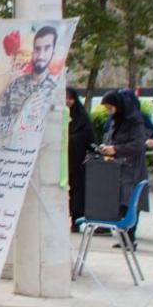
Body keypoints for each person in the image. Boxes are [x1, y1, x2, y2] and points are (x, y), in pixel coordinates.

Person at [0, 25, 62, 144]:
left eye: (47, 49)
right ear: (33, 52)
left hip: (41, 151)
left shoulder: (56, 90)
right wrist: (19, 120)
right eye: (37, 49)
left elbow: (57, 129)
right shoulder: (15, 85)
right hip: (9, 149)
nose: (41, 55)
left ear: (53, 52)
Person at [98, 89, 148, 240]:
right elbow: (112, 138)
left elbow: (138, 144)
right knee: (119, 202)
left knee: (129, 202)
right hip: (118, 167)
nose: (108, 111)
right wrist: (106, 147)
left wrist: (115, 149)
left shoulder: (134, 120)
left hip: (132, 168)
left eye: (110, 107)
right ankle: (123, 237)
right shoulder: (116, 120)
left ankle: (129, 238)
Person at [66, 88, 94, 229]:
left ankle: (76, 220)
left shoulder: (82, 117)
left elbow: (89, 137)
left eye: (70, 98)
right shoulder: (59, 115)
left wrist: (70, 139)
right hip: (63, 162)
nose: (67, 101)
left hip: (77, 161)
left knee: (77, 191)